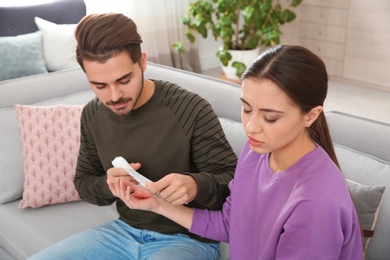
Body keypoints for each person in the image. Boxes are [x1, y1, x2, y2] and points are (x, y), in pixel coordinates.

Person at [117, 45, 364, 259]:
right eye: (246, 109)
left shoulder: (316, 203)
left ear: (311, 115)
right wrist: (157, 205)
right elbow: (230, 225)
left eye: (270, 117)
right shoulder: (255, 151)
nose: (251, 127)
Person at [28, 13, 237, 260]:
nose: (114, 96)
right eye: (100, 86)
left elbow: (233, 185)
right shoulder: (92, 114)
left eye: (124, 80)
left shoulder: (190, 109)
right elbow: (83, 183)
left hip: (189, 239)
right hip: (123, 232)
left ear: (143, 62)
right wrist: (109, 186)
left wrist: (195, 186)